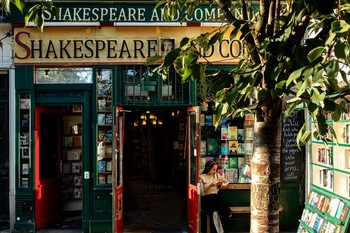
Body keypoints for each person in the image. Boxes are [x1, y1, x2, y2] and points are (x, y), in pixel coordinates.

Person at [200, 160, 232, 233]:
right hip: (205, 199)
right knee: (215, 213)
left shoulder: (217, 175)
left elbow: (226, 182)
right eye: (213, 169)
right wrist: (211, 185)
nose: (215, 171)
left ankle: (220, 230)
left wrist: (222, 185)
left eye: (216, 169)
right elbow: (202, 193)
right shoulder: (201, 177)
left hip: (215, 197)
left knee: (226, 211)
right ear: (208, 168)